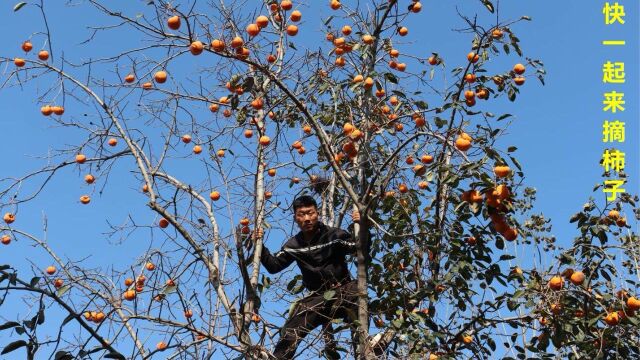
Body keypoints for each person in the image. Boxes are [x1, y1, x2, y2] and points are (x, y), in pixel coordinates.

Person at [253, 195, 365, 359]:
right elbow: (274, 266)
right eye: (301, 215)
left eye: (310, 213)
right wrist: (259, 245)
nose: (306, 218)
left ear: (317, 213)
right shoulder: (293, 245)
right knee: (296, 320)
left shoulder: (335, 235)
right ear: (295, 218)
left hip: (344, 291)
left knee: (358, 291)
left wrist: (362, 225)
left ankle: (364, 348)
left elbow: (359, 249)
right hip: (318, 299)